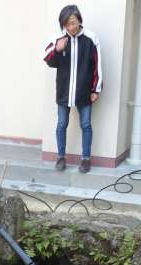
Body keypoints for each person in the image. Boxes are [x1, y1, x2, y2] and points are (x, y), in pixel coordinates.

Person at [43, 4, 102, 174]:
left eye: (73, 22)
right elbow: (47, 58)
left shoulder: (91, 38)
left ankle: (85, 159)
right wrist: (57, 48)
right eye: (67, 24)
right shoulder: (59, 39)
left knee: (86, 124)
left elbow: (98, 65)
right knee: (62, 124)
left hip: (84, 90)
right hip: (64, 90)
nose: (70, 27)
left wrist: (95, 89)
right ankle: (61, 157)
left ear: (79, 20)